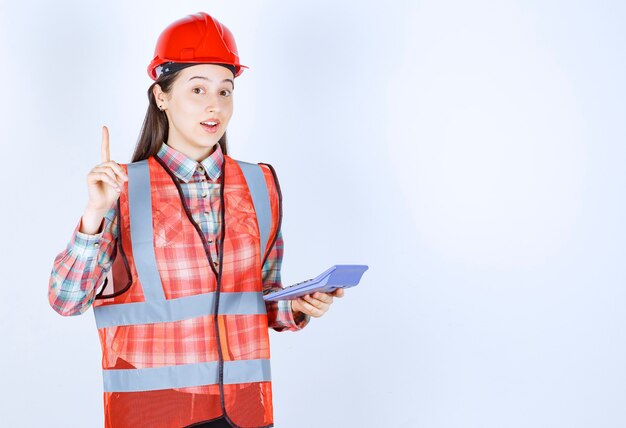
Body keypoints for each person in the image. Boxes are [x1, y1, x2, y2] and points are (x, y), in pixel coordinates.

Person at [48, 12, 343, 428]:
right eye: (198, 89)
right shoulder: (121, 188)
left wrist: (296, 305)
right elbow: (65, 301)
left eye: (226, 91)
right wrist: (95, 215)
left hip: (245, 410)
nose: (214, 105)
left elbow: (261, 298)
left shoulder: (261, 183)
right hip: (155, 411)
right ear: (161, 96)